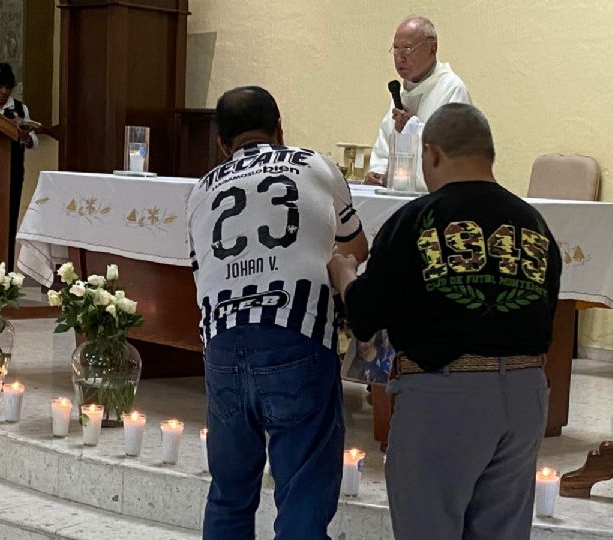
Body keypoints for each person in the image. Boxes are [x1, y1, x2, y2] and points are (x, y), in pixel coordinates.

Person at [329, 103, 563, 539]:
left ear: (432, 154)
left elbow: (365, 315)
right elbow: (545, 309)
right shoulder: (535, 224)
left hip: (446, 397)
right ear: (488, 154)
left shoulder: (415, 220)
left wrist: (345, 276)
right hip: (526, 394)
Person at [186, 86, 368, 539]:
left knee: (229, 493)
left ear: (222, 145)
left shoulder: (201, 190)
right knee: (303, 491)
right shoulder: (315, 165)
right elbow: (356, 247)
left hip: (223, 344)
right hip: (295, 333)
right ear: (280, 129)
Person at [365, 15, 472, 186]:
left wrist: (412, 129)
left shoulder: (452, 90)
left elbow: (451, 157)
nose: (400, 58)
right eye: (396, 49)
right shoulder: (400, 93)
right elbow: (384, 148)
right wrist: (378, 173)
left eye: (407, 49)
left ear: (432, 47)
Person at [0, 63, 38, 271]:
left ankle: (6, 269)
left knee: (9, 219)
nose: (3, 92)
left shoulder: (19, 108)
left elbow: (33, 143)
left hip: (12, 169)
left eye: (7, 88)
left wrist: (25, 136)